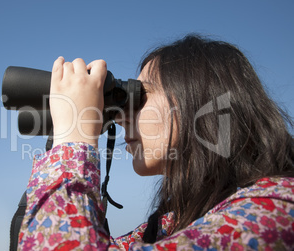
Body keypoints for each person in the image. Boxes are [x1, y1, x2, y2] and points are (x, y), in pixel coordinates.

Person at [17, 35, 294, 250]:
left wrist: (73, 141)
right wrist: (63, 134)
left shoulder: (273, 214)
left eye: (141, 97)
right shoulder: (175, 221)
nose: (123, 118)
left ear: (199, 103)